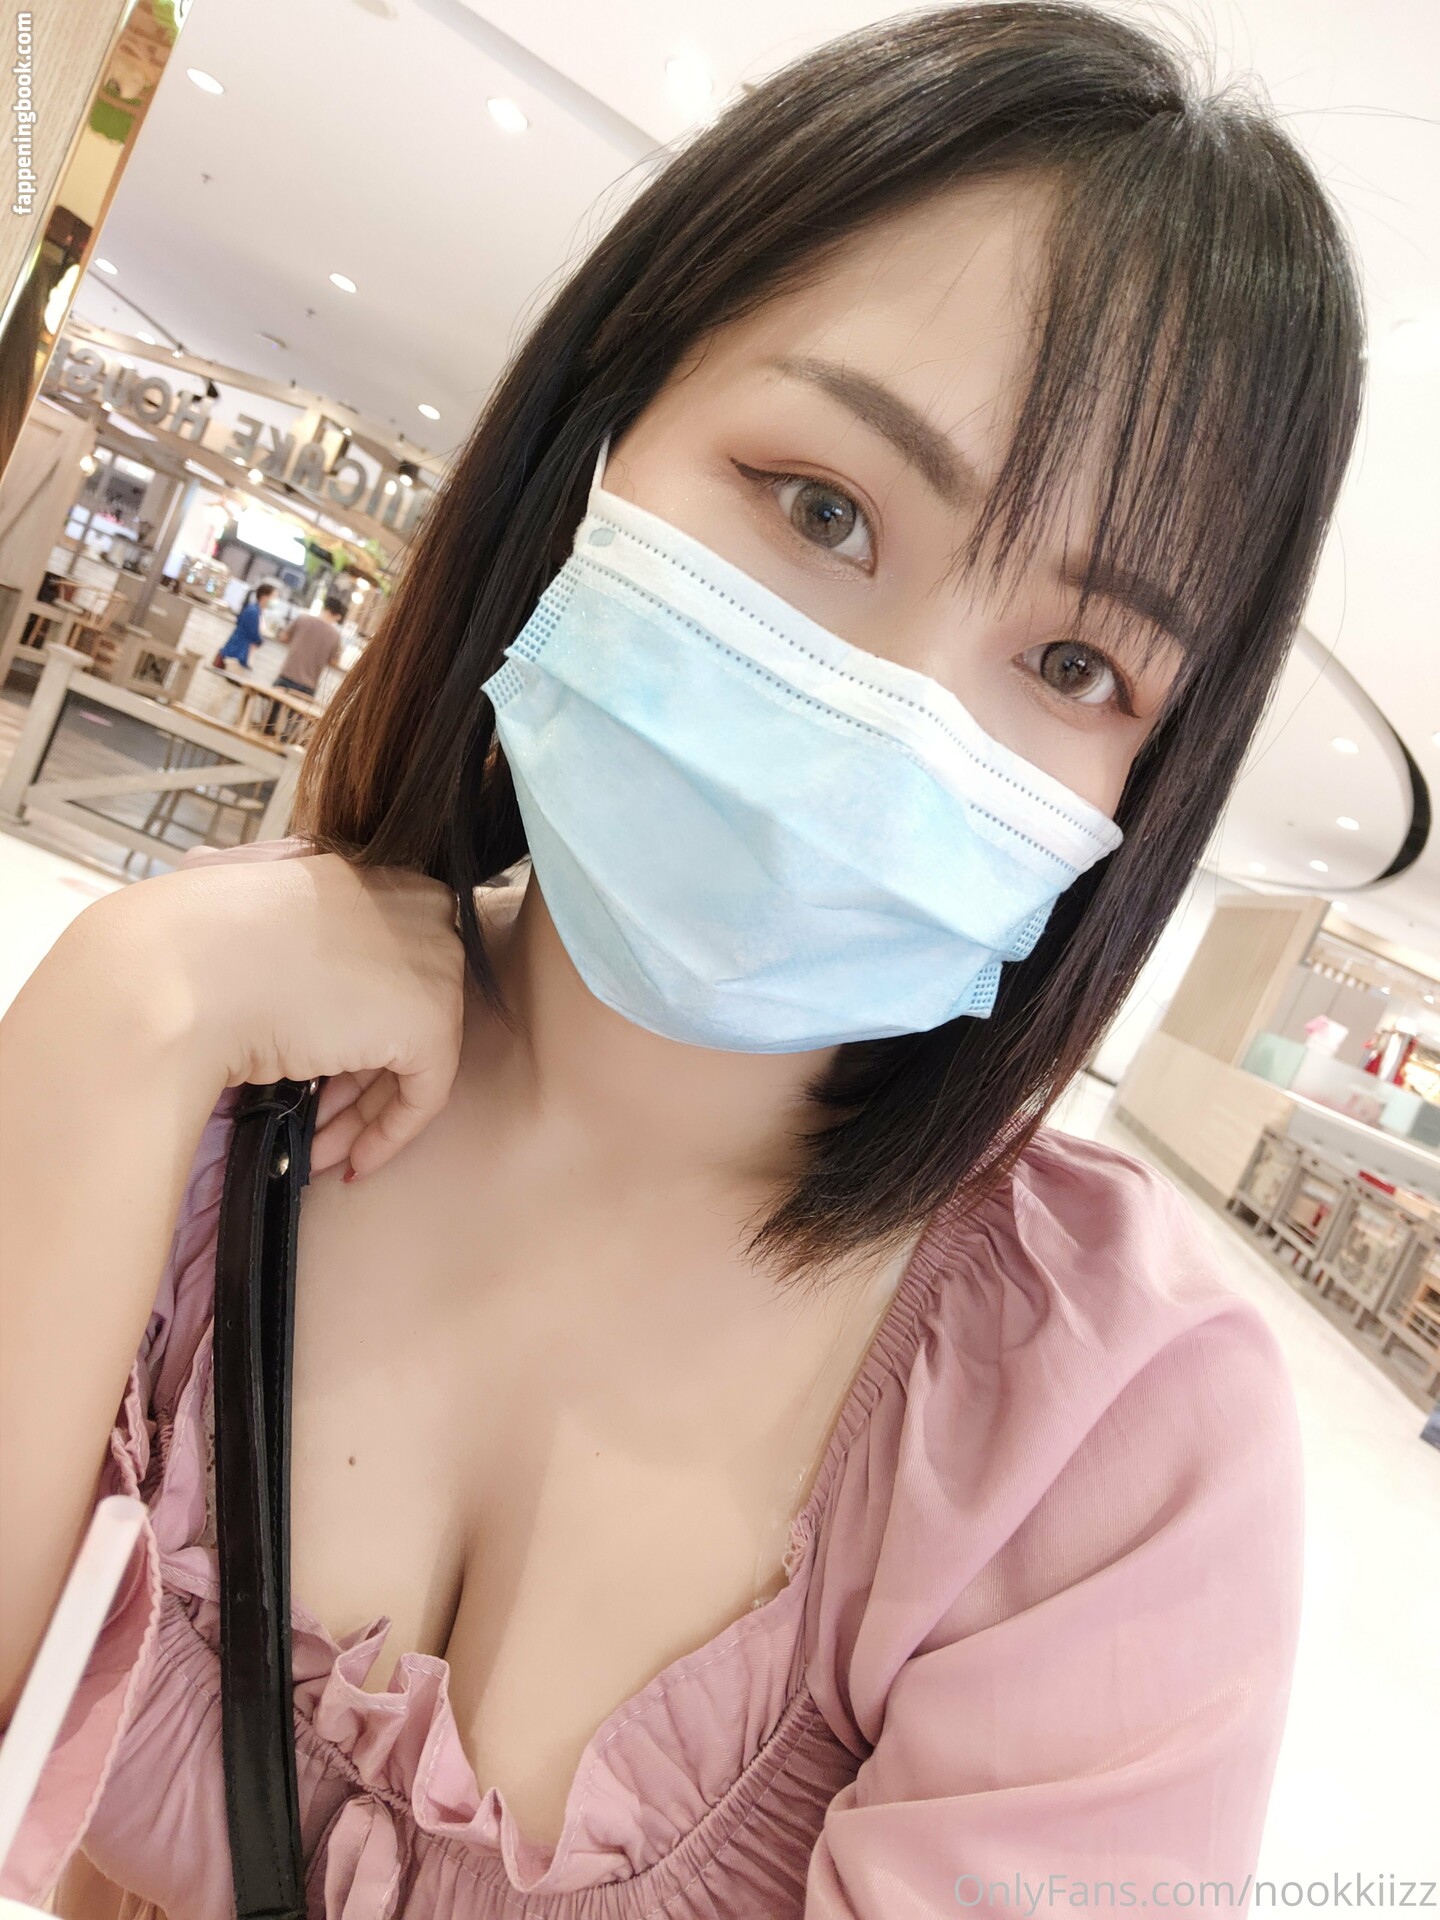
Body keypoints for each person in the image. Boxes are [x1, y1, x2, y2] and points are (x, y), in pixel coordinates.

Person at [0, 6, 1363, 1917]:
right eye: (823, 508)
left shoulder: (1103, 1438)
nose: (886, 718)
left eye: (1075, 664)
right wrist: (120, 1015)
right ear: (594, 439)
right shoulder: (214, 1075)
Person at [275, 592, 347, 697]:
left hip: (286, 677)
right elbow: (334, 662)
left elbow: (283, 638)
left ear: (324, 607)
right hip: (307, 686)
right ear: (338, 616)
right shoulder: (335, 636)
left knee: (273, 706)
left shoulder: (302, 619)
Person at [213, 579, 276, 672]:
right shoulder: (253, 611)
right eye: (274, 597)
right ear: (264, 597)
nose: (275, 600)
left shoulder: (258, 612)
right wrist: (260, 641)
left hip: (239, 653)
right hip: (236, 653)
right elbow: (253, 633)